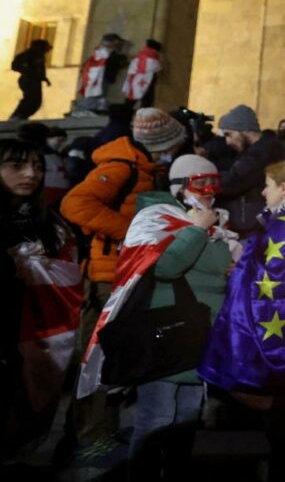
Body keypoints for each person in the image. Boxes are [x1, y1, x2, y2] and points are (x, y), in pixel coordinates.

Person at [60, 107, 187, 449]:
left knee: (112, 360)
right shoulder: (121, 168)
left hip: (124, 274)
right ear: (159, 144)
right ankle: (89, 439)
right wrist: (133, 232)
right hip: (107, 277)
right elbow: (76, 204)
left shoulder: (145, 169)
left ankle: (96, 433)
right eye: (172, 145)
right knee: (97, 361)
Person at [199, 160, 285, 481]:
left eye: (268, 185)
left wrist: (244, 265)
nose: (262, 191)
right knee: (283, 419)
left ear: (284, 189)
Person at [127, 155, 234, 480]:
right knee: (155, 419)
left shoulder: (218, 224)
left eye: (215, 182)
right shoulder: (157, 218)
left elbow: (214, 274)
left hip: (198, 337)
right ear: (179, 187)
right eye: (200, 183)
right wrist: (198, 230)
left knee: (186, 419)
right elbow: (164, 267)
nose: (210, 191)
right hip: (165, 333)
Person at [1, 139, 82, 458]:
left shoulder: (52, 224)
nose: (30, 174)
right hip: (6, 337)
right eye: (17, 166)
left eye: (37, 166)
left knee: (26, 418)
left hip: (38, 333)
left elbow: (68, 274)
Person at [217, 105, 284, 240]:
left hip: (254, 230)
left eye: (229, 134)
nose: (227, 141)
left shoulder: (259, 155)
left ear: (244, 130)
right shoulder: (265, 150)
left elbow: (230, 183)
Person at [74, 33, 127, 116]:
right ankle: (88, 109)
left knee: (99, 93)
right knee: (95, 93)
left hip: (97, 77)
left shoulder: (100, 52)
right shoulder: (103, 52)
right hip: (97, 77)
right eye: (118, 42)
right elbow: (110, 62)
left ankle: (97, 108)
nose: (119, 45)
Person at [9, 40, 52, 121]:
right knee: (31, 99)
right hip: (29, 80)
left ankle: (21, 116)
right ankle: (18, 115)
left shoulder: (39, 56)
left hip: (35, 80)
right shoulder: (28, 55)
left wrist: (45, 79)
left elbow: (40, 70)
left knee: (36, 101)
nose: (47, 51)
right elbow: (15, 65)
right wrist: (26, 70)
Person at [123, 39, 163, 109]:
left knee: (131, 98)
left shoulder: (140, 55)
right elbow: (157, 68)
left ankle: (124, 114)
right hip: (148, 79)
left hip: (134, 78)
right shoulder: (153, 57)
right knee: (147, 100)